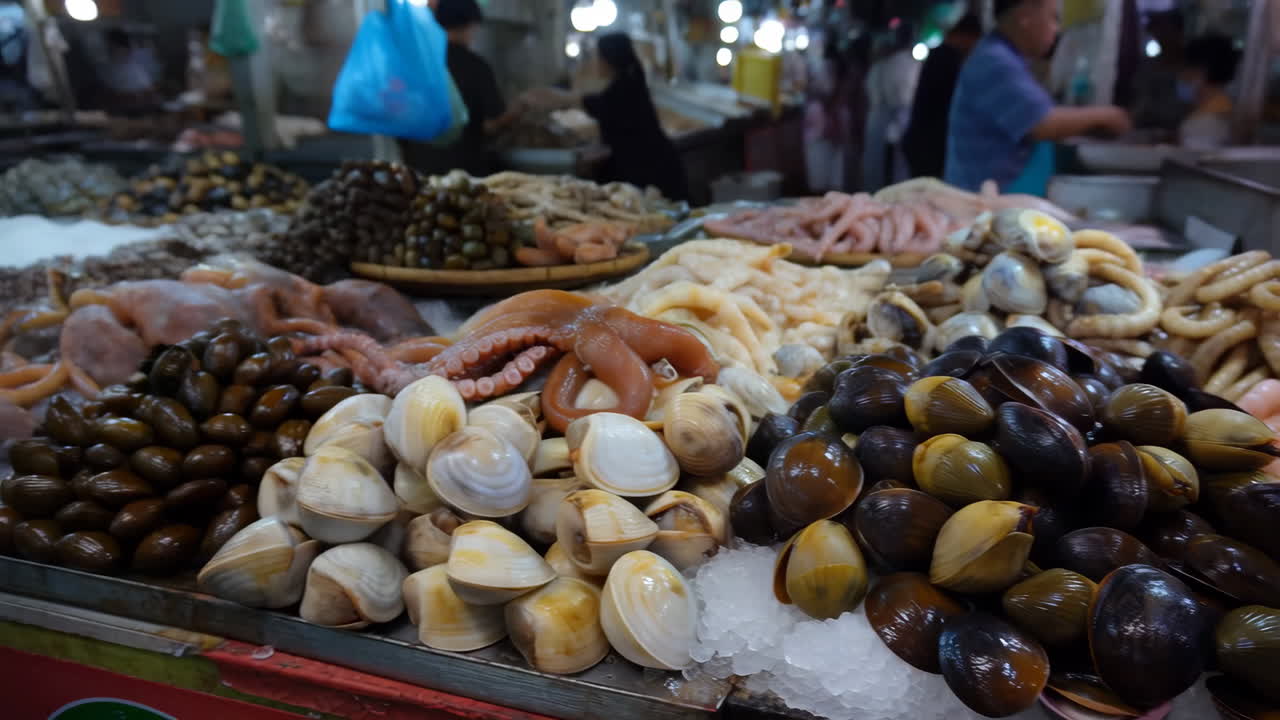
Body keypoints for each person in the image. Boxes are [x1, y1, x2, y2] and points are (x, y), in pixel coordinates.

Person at [944, 0, 1132, 194]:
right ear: (1025, 16)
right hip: (984, 200)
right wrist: (1109, 116)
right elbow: (1043, 124)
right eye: (1053, 18)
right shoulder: (995, 61)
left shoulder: (1005, 57)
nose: (1057, 30)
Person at [529, 33, 689, 201]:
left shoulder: (623, 90)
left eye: (598, 56)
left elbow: (587, 102)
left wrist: (545, 98)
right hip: (651, 164)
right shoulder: (628, 82)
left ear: (609, 58)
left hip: (650, 171)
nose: (596, 63)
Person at [402, 0, 521, 176]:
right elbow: (490, 125)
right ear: (469, 25)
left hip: (416, 174)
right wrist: (519, 109)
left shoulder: (413, 63)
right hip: (465, 175)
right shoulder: (475, 66)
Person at [901, 14, 983, 178]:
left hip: (924, 141)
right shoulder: (946, 58)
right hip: (929, 144)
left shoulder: (941, 55)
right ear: (965, 36)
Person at [863, 27, 920, 192]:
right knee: (898, 165)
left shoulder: (884, 65)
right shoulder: (908, 65)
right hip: (899, 116)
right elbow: (904, 97)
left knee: (882, 163)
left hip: (886, 117)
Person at [803, 34, 852, 193]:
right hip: (823, 126)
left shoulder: (825, 67)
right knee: (830, 176)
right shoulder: (831, 68)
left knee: (824, 177)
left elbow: (822, 93)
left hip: (824, 126)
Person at [1130, 10, 1190, 136]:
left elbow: (1189, 104)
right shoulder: (1148, 65)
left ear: (1179, 32)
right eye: (1157, 32)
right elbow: (1139, 101)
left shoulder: (1191, 67)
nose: (1161, 37)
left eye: (1166, 31)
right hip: (1145, 132)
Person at [1178, 33, 1240, 150]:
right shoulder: (1229, 109)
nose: (1181, 76)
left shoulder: (1203, 124)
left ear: (1200, 72)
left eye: (1185, 69)